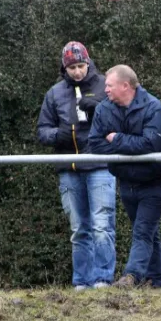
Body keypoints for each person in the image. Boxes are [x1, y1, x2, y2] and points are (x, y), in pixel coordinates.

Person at [37, 42, 116, 291]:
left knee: (102, 225)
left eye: (81, 66)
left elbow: (123, 118)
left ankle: (103, 279)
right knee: (79, 229)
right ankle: (81, 281)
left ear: (89, 62)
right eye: (72, 67)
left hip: (101, 165)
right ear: (65, 67)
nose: (78, 72)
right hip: (69, 168)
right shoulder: (54, 93)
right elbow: (42, 130)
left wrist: (101, 109)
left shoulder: (105, 85)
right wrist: (58, 135)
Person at [89, 64, 161, 288]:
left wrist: (117, 140)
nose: (105, 89)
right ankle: (157, 280)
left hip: (153, 181)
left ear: (125, 86)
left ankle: (132, 276)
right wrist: (129, 147)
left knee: (142, 230)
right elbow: (95, 145)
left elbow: (150, 144)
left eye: (109, 85)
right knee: (147, 231)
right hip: (126, 181)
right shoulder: (103, 109)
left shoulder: (154, 109)